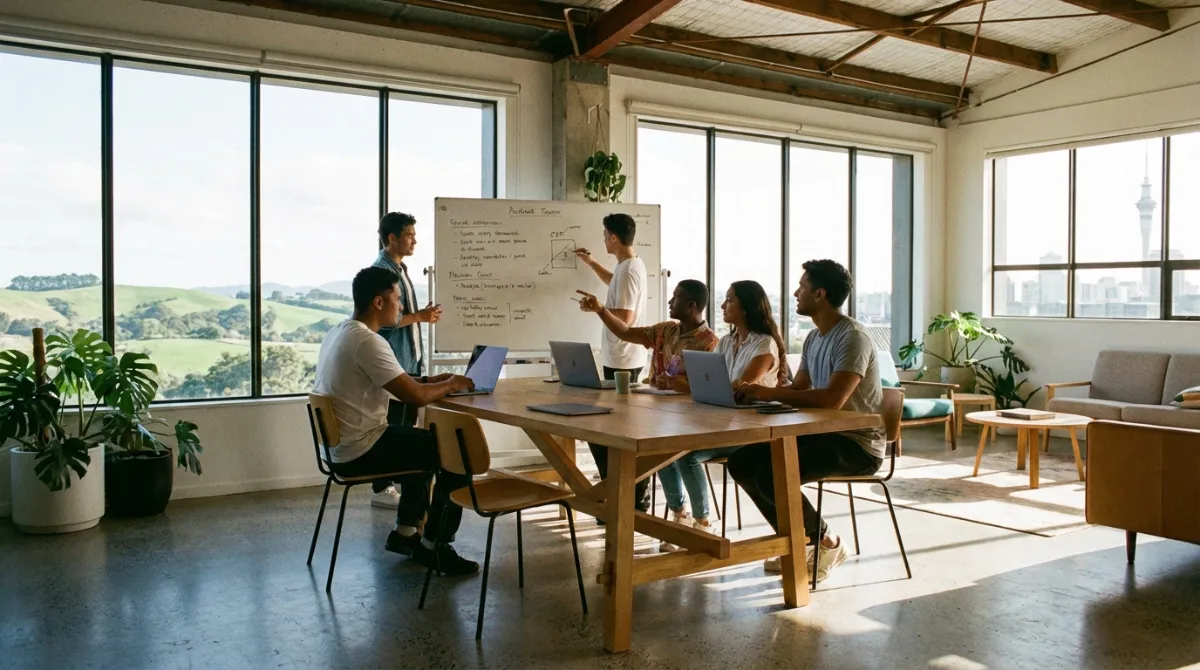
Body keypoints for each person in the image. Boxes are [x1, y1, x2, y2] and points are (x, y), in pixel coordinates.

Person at [313, 266, 479, 575]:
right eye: (398, 298)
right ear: (378, 302)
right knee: (456, 451)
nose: (401, 306)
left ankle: (405, 535)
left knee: (419, 445)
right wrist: (452, 384)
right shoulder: (369, 342)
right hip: (361, 450)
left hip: (338, 449)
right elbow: (414, 396)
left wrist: (432, 379)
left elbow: (396, 381)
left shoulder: (341, 331)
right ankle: (436, 546)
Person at [729, 259, 884, 583]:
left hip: (855, 443)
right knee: (742, 461)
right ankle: (799, 541)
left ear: (820, 294)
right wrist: (760, 391)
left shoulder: (852, 337)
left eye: (802, 286)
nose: (796, 292)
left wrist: (765, 392)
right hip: (821, 433)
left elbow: (832, 399)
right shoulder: (814, 338)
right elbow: (799, 387)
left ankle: (826, 542)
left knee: (772, 473)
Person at [654, 280, 789, 546]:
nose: (723, 305)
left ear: (747, 307)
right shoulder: (726, 342)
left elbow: (741, 387)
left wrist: (691, 386)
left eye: (730, 300)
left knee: (688, 456)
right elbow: (710, 382)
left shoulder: (765, 345)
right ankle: (680, 515)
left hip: (751, 429)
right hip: (720, 423)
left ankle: (703, 524)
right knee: (661, 450)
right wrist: (684, 384)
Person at [574, 213, 649, 514]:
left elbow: (627, 318)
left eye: (605, 234)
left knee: (615, 432)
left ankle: (629, 500)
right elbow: (613, 282)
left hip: (624, 359)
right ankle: (619, 497)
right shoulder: (627, 267)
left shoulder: (630, 270)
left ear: (614, 238)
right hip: (619, 357)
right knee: (611, 430)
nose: (604, 239)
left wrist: (598, 308)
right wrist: (592, 264)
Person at [370, 212, 442, 509]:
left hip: (408, 359)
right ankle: (383, 488)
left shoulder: (400, 268)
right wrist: (419, 317)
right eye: (410, 235)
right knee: (395, 427)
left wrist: (418, 315)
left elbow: (400, 314)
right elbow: (383, 321)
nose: (415, 240)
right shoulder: (382, 272)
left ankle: (400, 485)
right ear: (392, 238)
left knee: (407, 425)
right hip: (394, 362)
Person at [575, 279, 717, 392]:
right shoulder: (666, 329)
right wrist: (601, 310)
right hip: (655, 406)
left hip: (686, 414)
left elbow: (708, 388)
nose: (670, 302)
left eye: (676, 297)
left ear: (691, 305)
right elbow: (625, 333)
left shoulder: (710, 344)